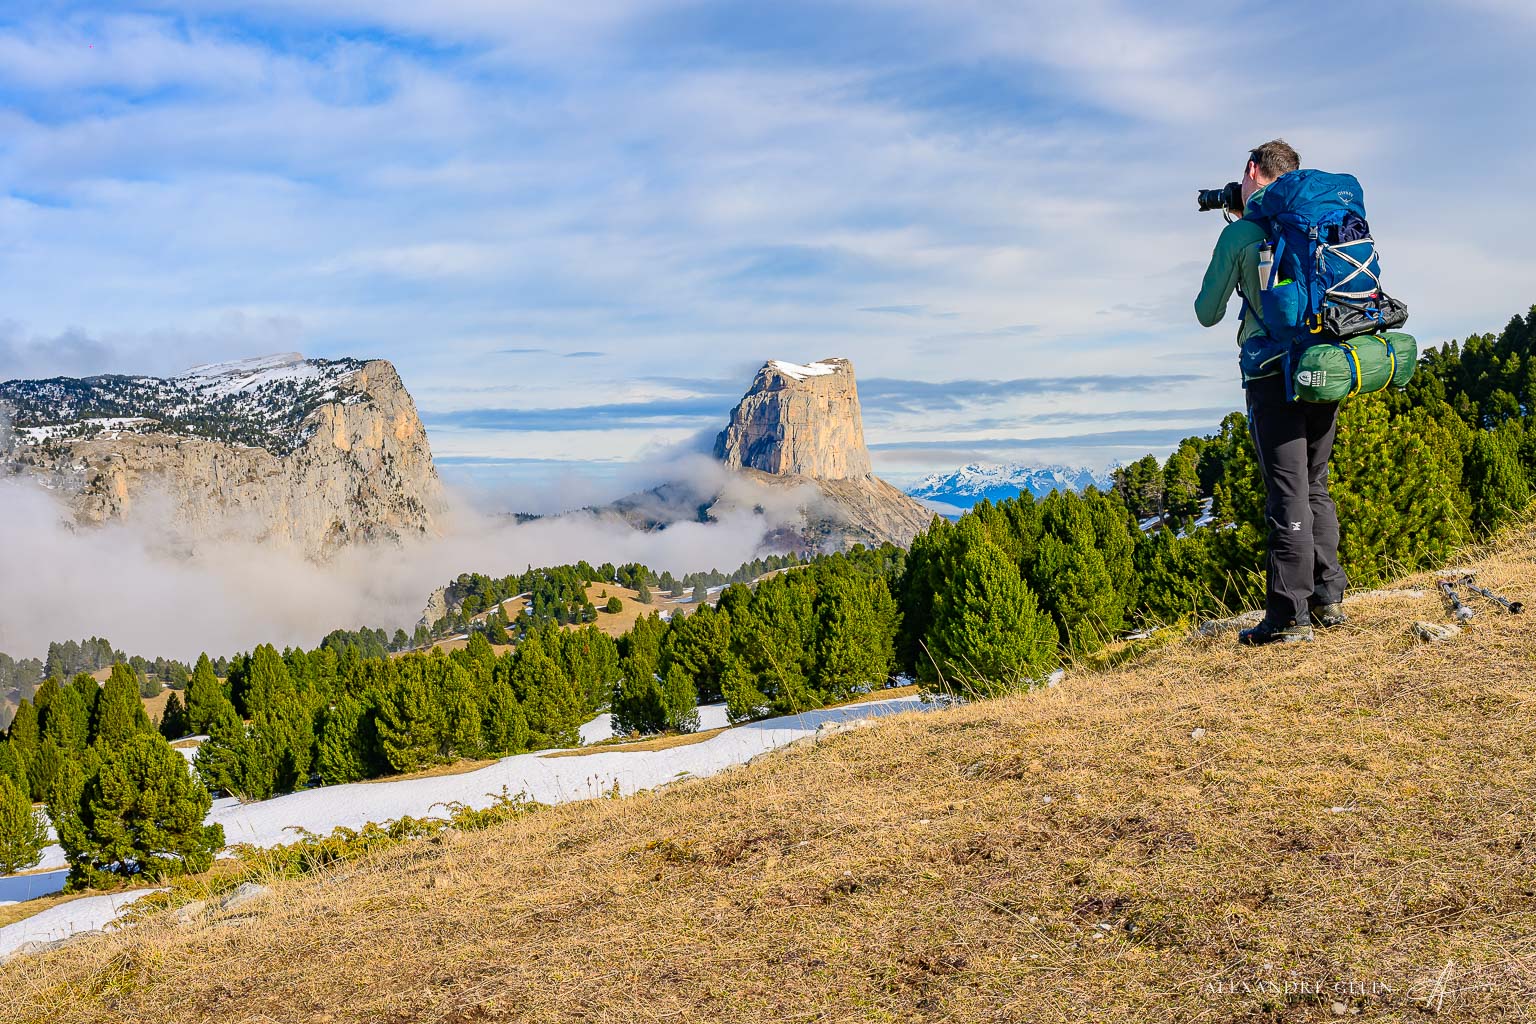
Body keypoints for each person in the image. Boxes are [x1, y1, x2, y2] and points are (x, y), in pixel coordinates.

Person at [1194, 139, 1348, 645]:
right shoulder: (1311, 219)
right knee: (1315, 484)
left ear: (1251, 169)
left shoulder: (1242, 234)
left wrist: (1236, 234)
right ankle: (1328, 600)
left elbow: (1207, 311)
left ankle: (1287, 615)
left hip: (1271, 374)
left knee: (1286, 491)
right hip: (1323, 365)